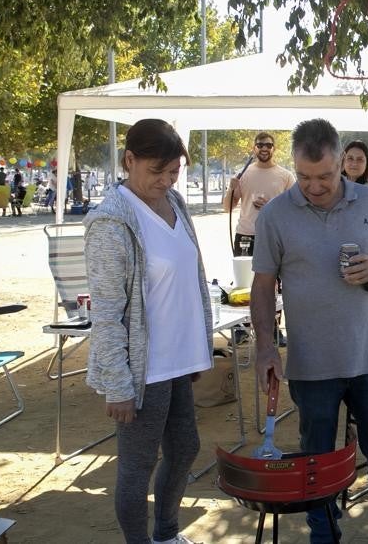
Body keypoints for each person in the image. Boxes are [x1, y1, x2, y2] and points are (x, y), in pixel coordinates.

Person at [248, 118, 368, 544]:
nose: (314, 186)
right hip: (311, 365)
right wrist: (265, 347)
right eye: (304, 176)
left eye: (324, 175)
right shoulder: (276, 215)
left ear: (342, 162)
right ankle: (324, 537)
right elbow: (263, 284)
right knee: (316, 464)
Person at [84, 118, 212, 544]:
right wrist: (117, 383)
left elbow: (189, 276)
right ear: (129, 160)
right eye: (155, 171)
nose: (165, 180)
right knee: (137, 465)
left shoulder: (175, 201)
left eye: (173, 170)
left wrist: (198, 347)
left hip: (177, 358)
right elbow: (105, 312)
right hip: (143, 366)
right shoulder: (110, 221)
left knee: (185, 448)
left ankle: (166, 534)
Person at [224, 131, 296, 257]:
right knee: (245, 276)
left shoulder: (286, 176)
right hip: (245, 236)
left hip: (274, 236)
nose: (264, 148)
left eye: (268, 145)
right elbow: (227, 208)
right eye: (260, 145)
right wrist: (231, 189)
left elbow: (294, 210)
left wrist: (270, 207)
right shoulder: (242, 174)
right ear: (254, 148)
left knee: (273, 277)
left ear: (274, 148)